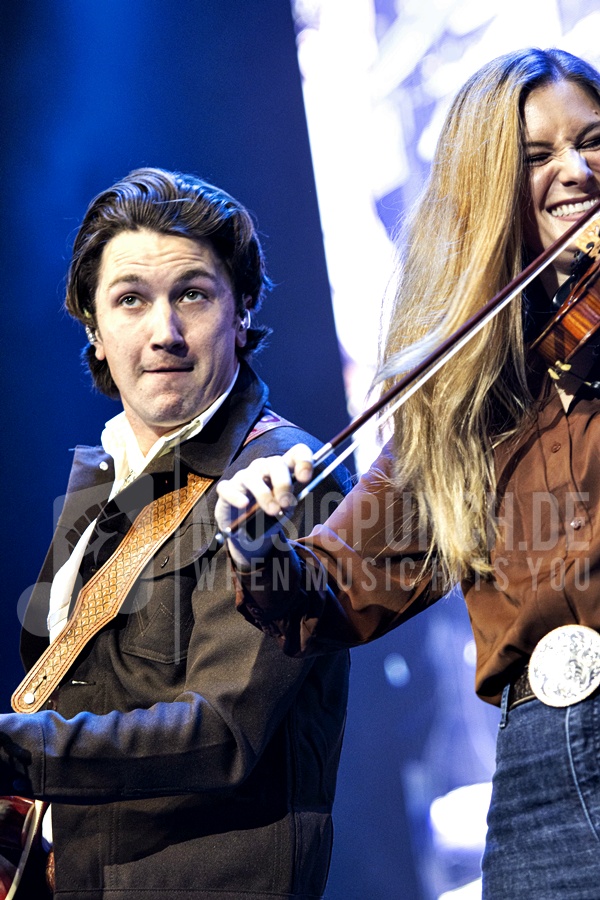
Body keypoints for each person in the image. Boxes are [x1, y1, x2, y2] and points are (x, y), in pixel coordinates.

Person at [215, 48, 600, 899]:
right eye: (537, 156)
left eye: (594, 141)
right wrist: (255, 541)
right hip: (543, 772)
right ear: (488, 190)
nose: (576, 171)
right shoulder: (465, 399)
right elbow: (337, 588)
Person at [0, 167, 350, 899]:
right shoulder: (104, 479)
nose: (164, 332)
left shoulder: (282, 476)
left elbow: (224, 730)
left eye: (192, 294)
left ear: (241, 311)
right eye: (130, 299)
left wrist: (18, 751)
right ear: (95, 331)